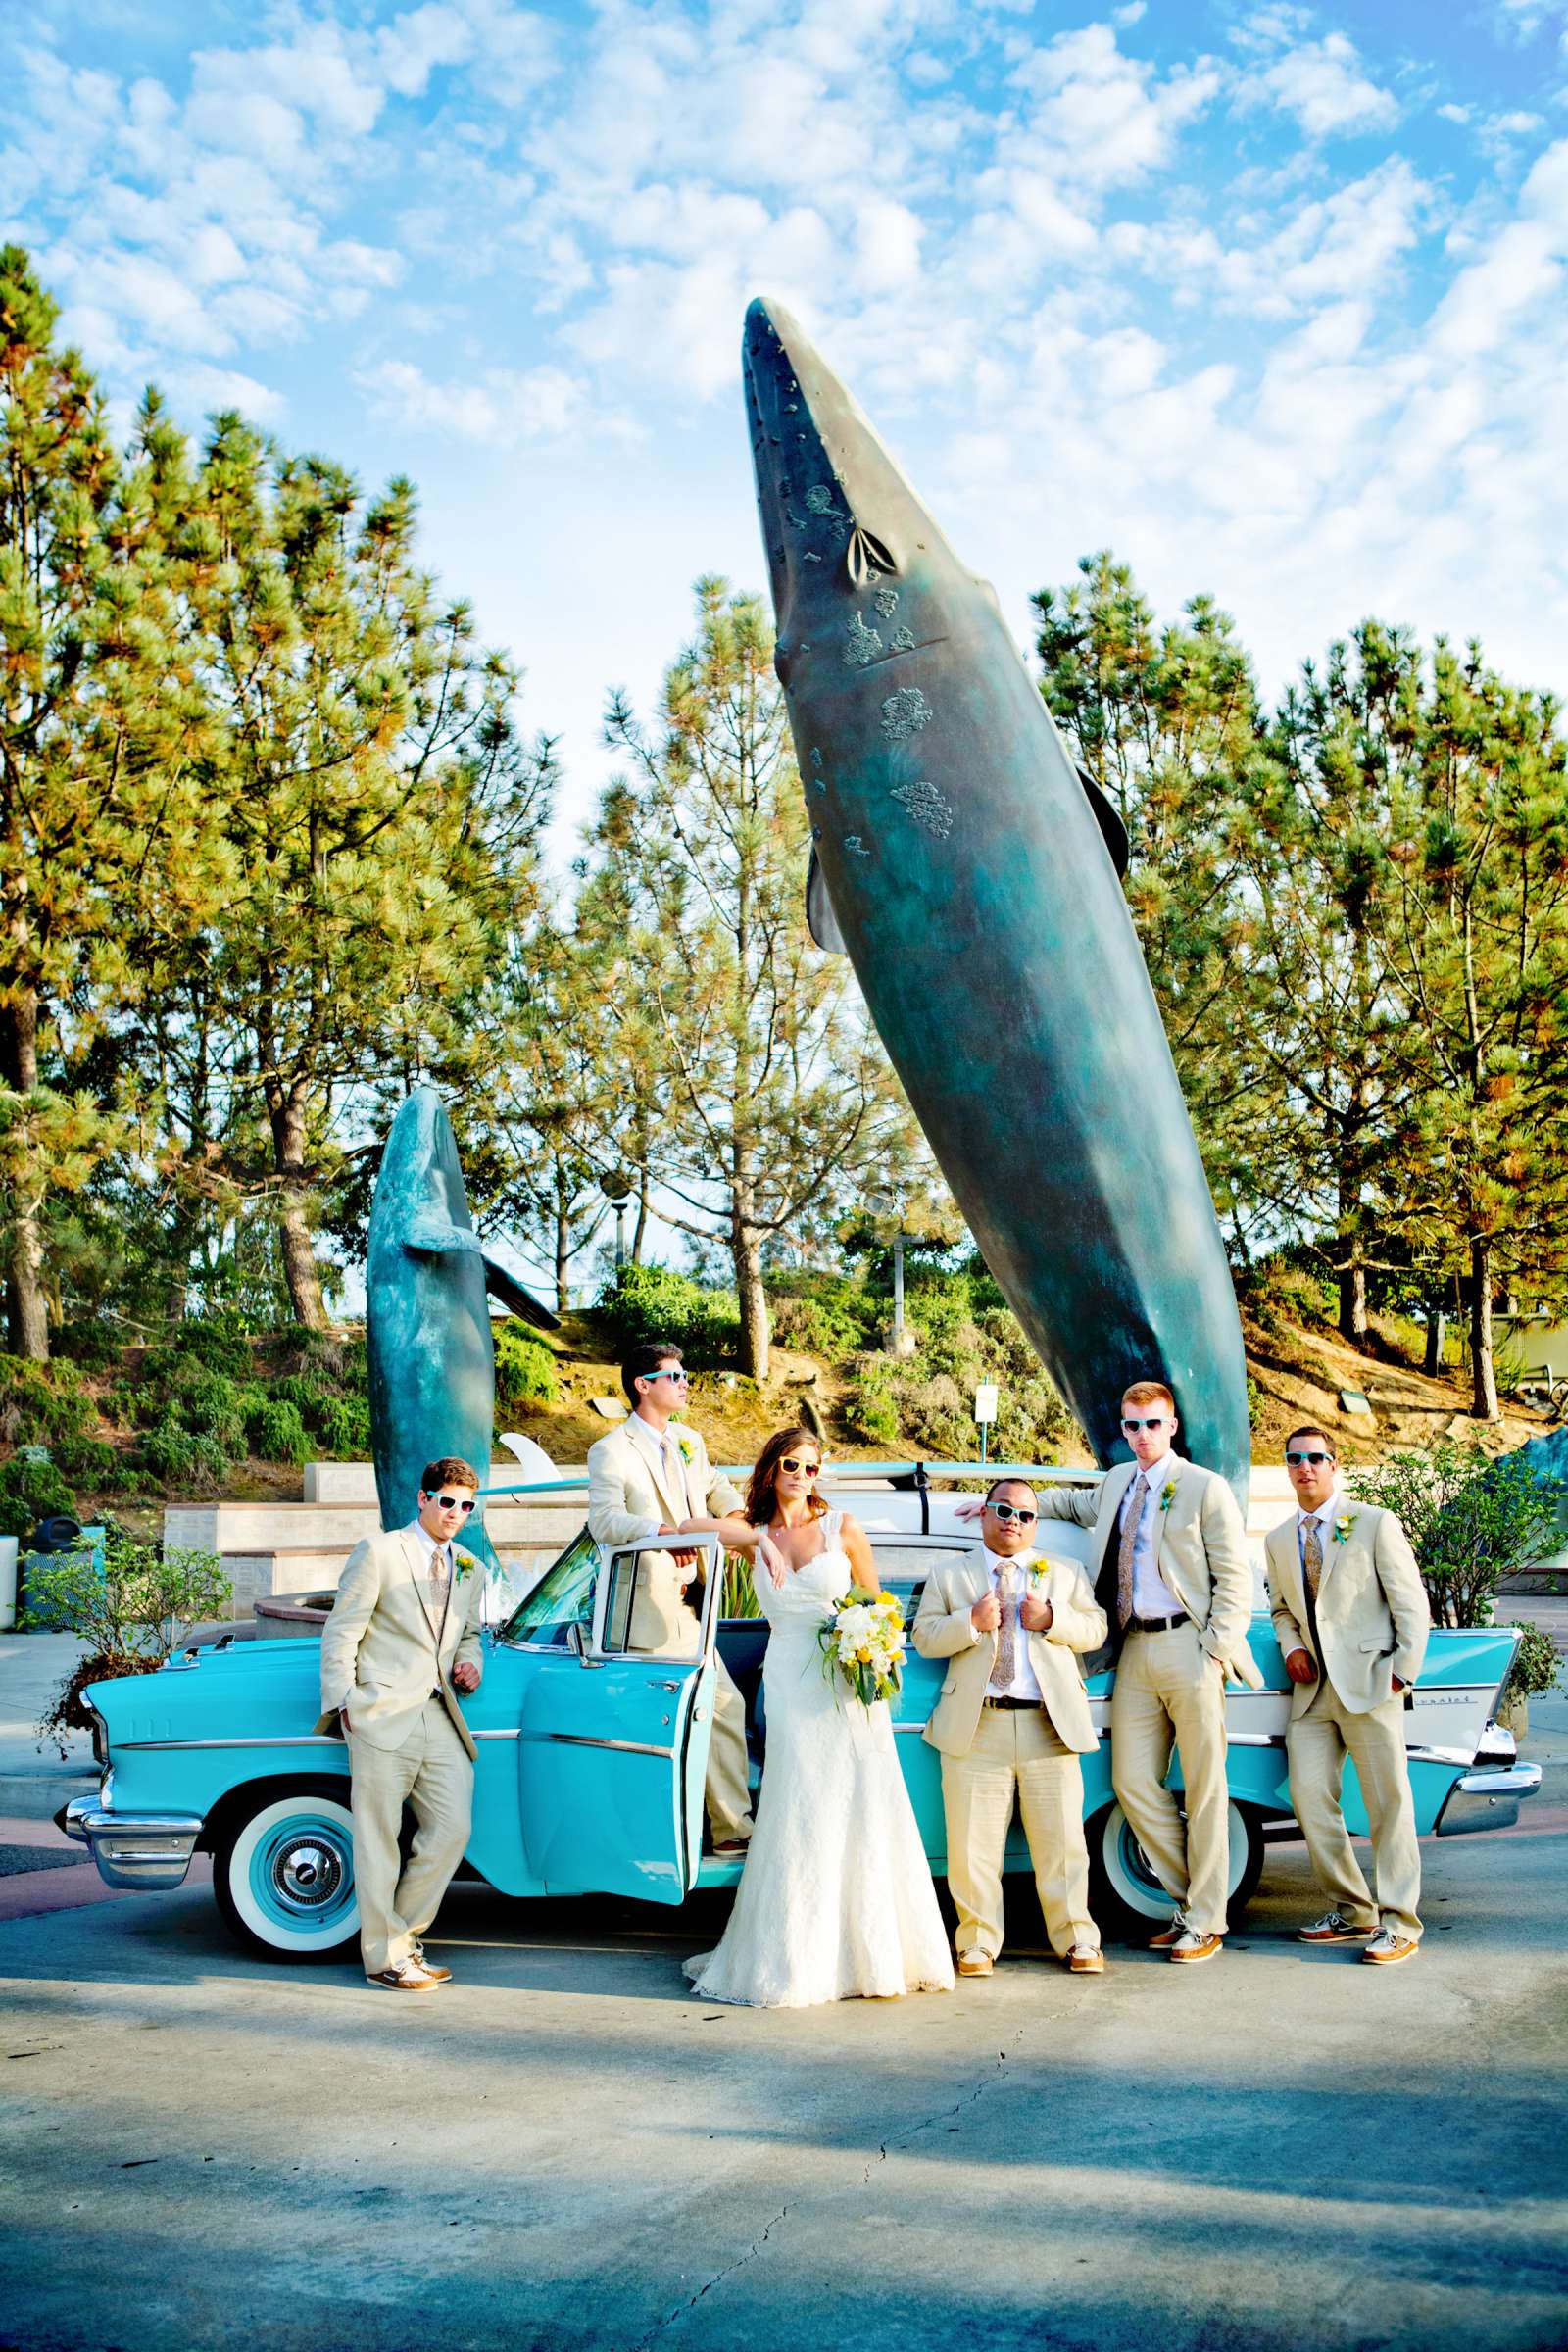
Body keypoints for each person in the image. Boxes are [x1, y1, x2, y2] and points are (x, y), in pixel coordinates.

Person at [680, 1426, 955, 2008]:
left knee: (860, 1799)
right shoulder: (753, 1535)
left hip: (847, 1681)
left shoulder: (842, 1527)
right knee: (798, 1800)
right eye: (790, 1465)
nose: (802, 1476)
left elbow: (878, 1606)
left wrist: (869, 1648)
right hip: (787, 1679)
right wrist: (763, 1541)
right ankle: (797, 1954)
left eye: (811, 1467)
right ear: (771, 1469)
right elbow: (687, 1528)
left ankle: (873, 1952)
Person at [1025, 1378, 1260, 1963]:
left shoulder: (1205, 1488)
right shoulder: (1117, 1481)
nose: (1141, 1435)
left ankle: (1204, 1920)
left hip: (1190, 1645)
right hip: (1133, 1648)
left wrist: (1216, 1648)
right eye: (1132, 1425)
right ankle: (1197, 1904)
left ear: (1172, 1426)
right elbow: (1075, 1506)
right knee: (1131, 1782)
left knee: (1205, 1788)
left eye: (1152, 1424)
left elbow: (1235, 1576)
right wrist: (1011, 1504)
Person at [913, 1476, 1107, 1978]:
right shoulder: (949, 1575)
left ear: (1035, 1524)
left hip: (1049, 1723)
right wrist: (971, 1621)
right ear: (984, 1515)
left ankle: (1078, 1939)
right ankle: (976, 1943)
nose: (1014, 1522)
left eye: (1025, 1515)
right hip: (977, 1723)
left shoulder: (1064, 1573)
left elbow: (1095, 1630)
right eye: (1003, 1511)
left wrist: (1051, 1619)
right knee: (972, 1844)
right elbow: (925, 1637)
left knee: (1063, 1844)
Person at [316, 1457, 487, 1991]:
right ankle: (385, 1959)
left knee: (452, 1828)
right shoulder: (381, 1551)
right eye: (447, 1501)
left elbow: (470, 1633)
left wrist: (472, 1661)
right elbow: (342, 1631)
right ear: (422, 1499)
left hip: (440, 1713)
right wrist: (346, 1703)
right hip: (380, 1713)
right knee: (378, 1839)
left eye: (466, 1505)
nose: (455, 1513)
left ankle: (403, 1939)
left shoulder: (470, 1567)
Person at [1265, 1426, 1431, 1966]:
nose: (1304, 1467)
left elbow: (1411, 1604)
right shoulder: (1276, 1539)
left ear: (1334, 1465)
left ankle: (1400, 1921)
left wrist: (1400, 1674)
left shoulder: (1374, 1523)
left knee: (1388, 1805)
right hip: (1312, 1695)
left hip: (1370, 1683)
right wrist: (1291, 1646)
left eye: (1315, 1458)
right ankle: (1352, 1909)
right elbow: (1282, 1610)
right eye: (1294, 1459)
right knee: (1309, 1797)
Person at [586, 1342, 754, 1856]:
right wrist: (663, 1532)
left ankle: (729, 1830)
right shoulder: (611, 1450)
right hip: (646, 1611)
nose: (685, 1383)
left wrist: (744, 1519)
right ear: (643, 1384)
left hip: (696, 1603)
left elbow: (716, 1488)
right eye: (675, 1375)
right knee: (674, 1720)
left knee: (724, 1705)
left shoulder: (688, 1441)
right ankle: (669, 1837)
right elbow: (605, 1521)